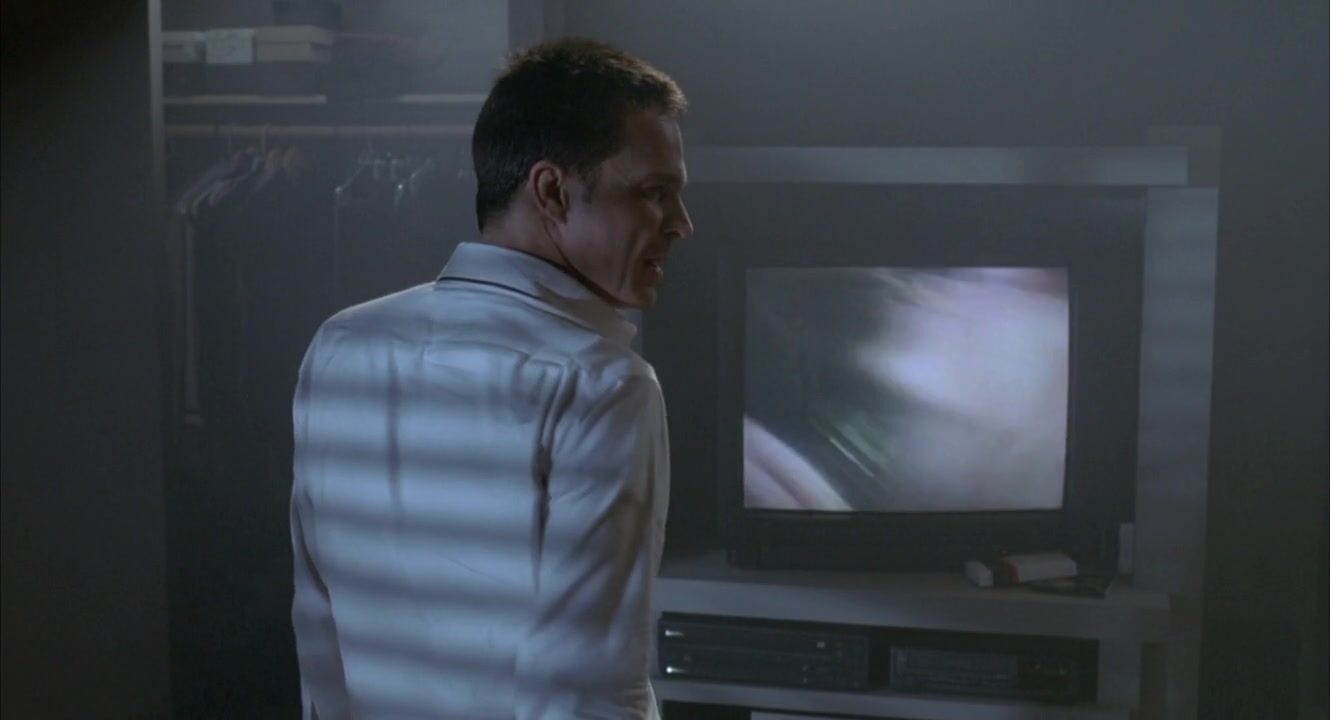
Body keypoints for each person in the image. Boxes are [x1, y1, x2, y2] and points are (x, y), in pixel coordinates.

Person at [288, 37, 693, 719]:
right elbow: (591, 691)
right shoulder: (603, 385)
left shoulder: (342, 345)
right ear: (553, 192)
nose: (682, 224)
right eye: (655, 194)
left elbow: (319, 633)